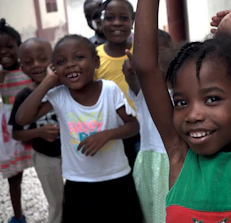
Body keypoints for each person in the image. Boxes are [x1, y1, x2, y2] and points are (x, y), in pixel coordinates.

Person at [130, 0, 231, 222]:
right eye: (181, 102)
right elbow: (145, 67)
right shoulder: (180, 157)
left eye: (212, 99)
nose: (193, 115)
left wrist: (230, 27)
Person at [15, 34, 143, 222]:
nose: (70, 64)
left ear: (96, 62)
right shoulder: (58, 95)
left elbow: (133, 126)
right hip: (78, 182)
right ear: (55, 69)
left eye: (78, 57)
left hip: (117, 179)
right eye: (61, 61)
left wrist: (107, 135)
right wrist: (48, 82)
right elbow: (21, 118)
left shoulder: (110, 90)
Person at [9, 38, 63, 223]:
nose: (37, 65)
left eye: (42, 58)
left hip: (75, 156)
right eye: (29, 62)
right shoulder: (24, 96)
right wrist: (38, 133)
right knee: (57, 203)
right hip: (46, 157)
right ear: (22, 68)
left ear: (55, 59)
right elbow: (17, 133)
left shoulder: (67, 87)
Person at [123, 29, 173, 223]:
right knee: (149, 210)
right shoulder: (144, 89)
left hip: (173, 160)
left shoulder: (182, 88)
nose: (154, 62)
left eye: (160, 54)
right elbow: (133, 82)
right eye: (148, 57)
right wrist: (131, 75)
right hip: (149, 159)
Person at [95, 0, 140, 173]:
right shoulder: (94, 57)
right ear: (100, 22)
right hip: (110, 133)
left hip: (141, 131)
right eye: (110, 18)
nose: (116, 23)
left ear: (133, 21)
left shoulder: (142, 52)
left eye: (123, 18)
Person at [0, 18, 33, 223]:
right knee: (14, 176)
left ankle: (60, 209)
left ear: (19, 47)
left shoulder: (28, 70)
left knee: (46, 165)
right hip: (9, 128)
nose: (4, 52)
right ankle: (18, 216)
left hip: (32, 121)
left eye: (10, 46)